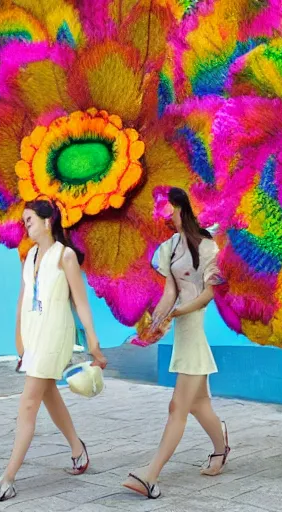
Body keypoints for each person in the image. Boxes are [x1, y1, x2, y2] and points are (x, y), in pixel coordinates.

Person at [0, 199, 108, 503]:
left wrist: (94, 343)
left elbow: (80, 302)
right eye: (25, 221)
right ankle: (78, 450)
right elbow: (21, 301)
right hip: (33, 334)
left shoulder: (65, 257)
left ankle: (7, 479)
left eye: (29, 220)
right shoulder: (30, 256)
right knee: (48, 392)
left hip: (55, 335)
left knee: (28, 404)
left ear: (47, 220)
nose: (26, 225)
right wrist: (19, 340)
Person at [123, 187, 229, 499]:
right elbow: (170, 291)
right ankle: (222, 447)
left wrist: (183, 309)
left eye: (164, 206)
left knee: (178, 407)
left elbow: (210, 292)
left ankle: (150, 475)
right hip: (180, 328)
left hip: (192, 329)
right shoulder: (168, 247)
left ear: (178, 205)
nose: (161, 212)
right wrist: (155, 321)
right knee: (199, 405)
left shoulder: (207, 245)